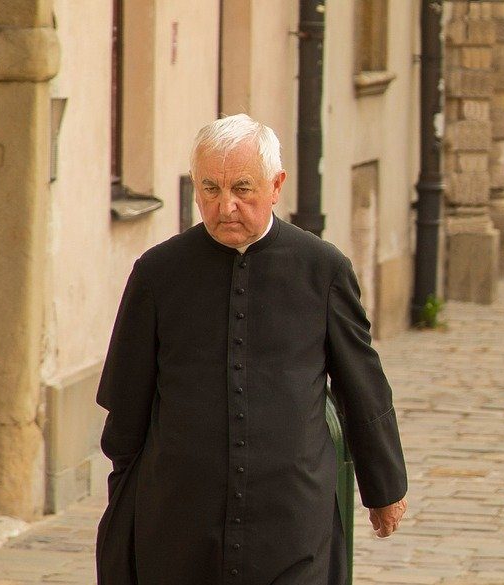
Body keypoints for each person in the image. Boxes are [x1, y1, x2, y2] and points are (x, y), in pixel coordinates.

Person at [95, 114, 408, 585]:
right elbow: (127, 404)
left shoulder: (322, 269)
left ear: (276, 185)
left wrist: (384, 487)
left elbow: (361, 383)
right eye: (210, 189)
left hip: (293, 514)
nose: (225, 207)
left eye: (242, 188)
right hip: (180, 516)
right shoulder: (158, 274)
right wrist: (125, 500)